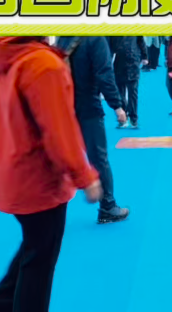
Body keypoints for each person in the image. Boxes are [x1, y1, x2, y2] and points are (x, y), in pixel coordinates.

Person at [0, 37, 102, 312]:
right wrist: (85, 177)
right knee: (37, 268)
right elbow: (59, 132)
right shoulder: (42, 65)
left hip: (13, 176)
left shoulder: (2, 58)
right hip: (42, 183)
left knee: (31, 255)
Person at [57, 36, 129, 224]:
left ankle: (54, 207)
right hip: (88, 107)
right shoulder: (95, 39)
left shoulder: (63, 38)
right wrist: (117, 106)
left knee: (61, 158)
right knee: (98, 158)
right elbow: (104, 74)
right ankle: (108, 206)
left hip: (63, 107)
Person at [108, 36, 145, 130]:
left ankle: (132, 118)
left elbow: (140, 40)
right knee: (122, 91)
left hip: (132, 60)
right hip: (121, 61)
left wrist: (144, 55)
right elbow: (109, 45)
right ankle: (124, 117)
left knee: (132, 92)